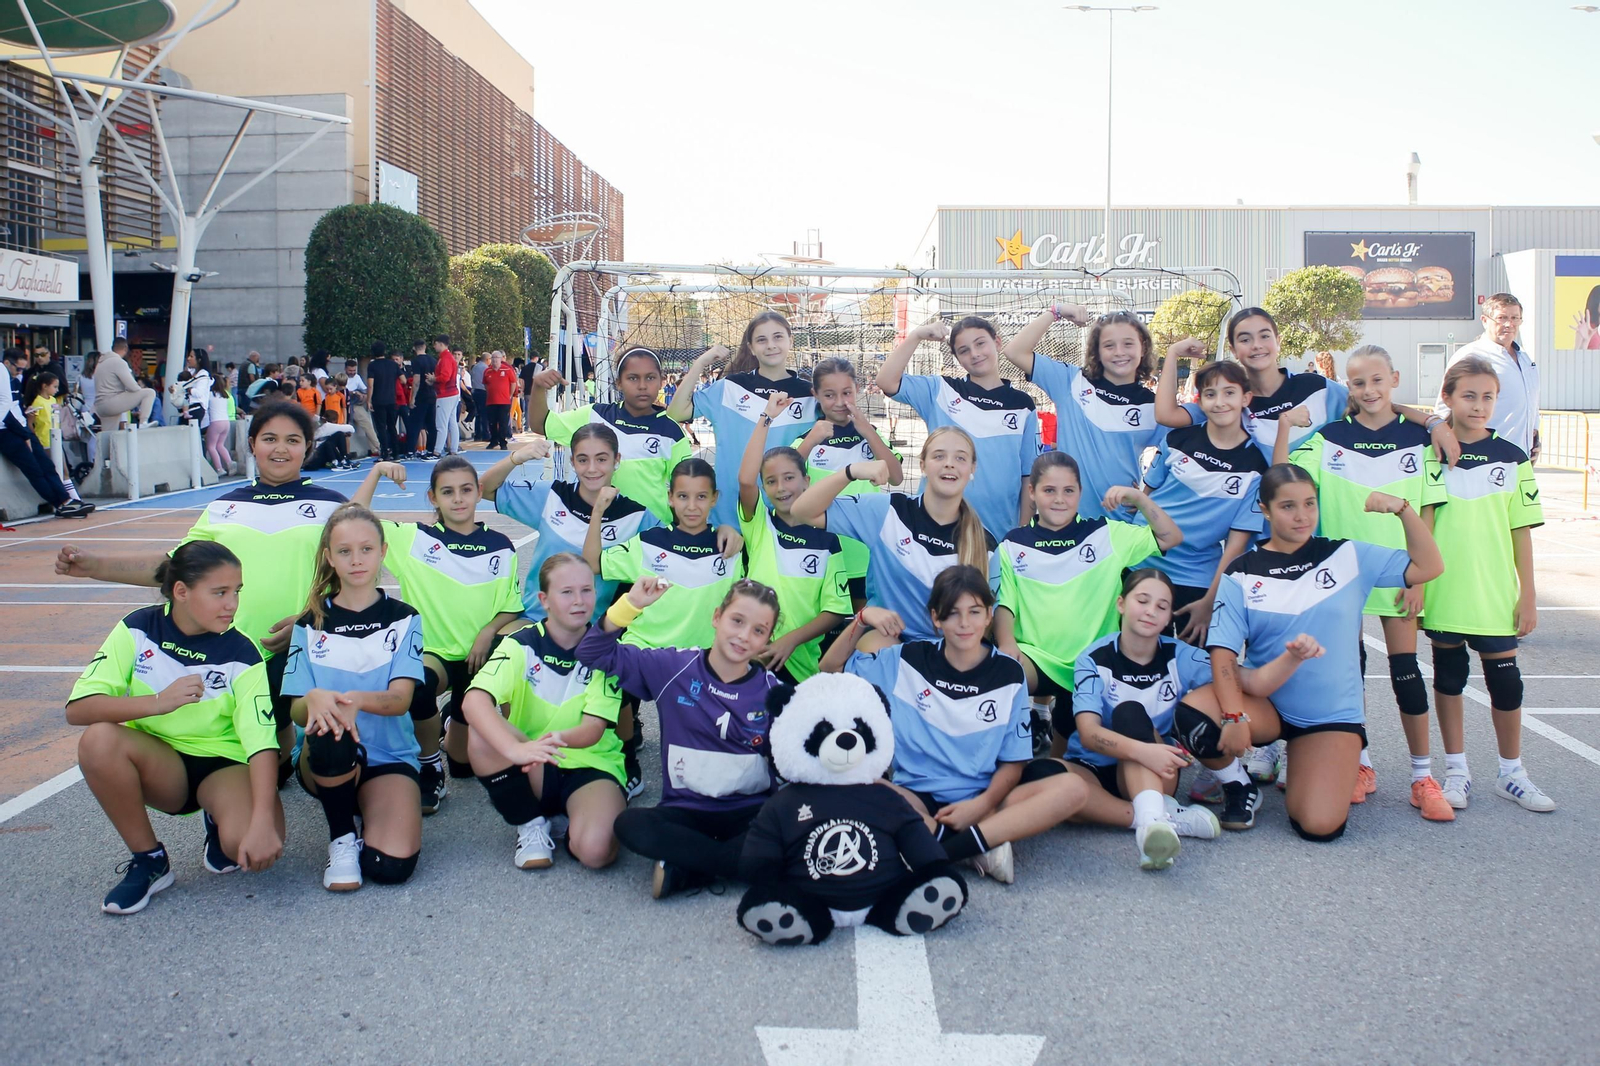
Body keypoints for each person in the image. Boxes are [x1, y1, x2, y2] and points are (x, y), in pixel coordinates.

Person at [58, 402, 348, 771]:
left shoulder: (333, 506)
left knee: (329, 760)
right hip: (233, 657)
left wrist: (310, 621)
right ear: (252, 445)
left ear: (308, 447)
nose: (280, 449)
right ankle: (279, 751)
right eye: (269, 438)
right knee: (261, 775)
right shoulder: (223, 507)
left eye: (292, 440)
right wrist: (94, 567)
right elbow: (174, 570)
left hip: (306, 649)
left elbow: (356, 578)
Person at [1206, 464, 1444, 841]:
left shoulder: (1347, 556)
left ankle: (1303, 756)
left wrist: (1403, 510)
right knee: (1195, 712)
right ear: (1264, 510)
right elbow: (1222, 653)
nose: (1302, 516)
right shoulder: (1242, 571)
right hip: (1264, 705)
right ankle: (1239, 785)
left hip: (1328, 715)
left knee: (1318, 825)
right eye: (1287, 506)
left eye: (1309, 504)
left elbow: (1430, 566)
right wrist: (1234, 715)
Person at [821, 565, 1087, 885]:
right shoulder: (907, 659)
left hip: (985, 800)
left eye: (975, 612)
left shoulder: (1009, 674)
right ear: (936, 618)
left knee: (1072, 789)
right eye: (953, 613)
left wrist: (979, 806)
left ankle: (944, 847)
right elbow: (830, 667)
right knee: (844, 779)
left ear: (989, 615)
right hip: (917, 797)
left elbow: (1014, 763)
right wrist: (862, 619)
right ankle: (979, 846)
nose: (964, 623)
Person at [1273, 344, 1449, 818]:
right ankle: (1362, 764)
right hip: (1342, 572)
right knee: (1349, 672)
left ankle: (1421, 776)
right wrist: (1287, 428)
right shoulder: (1330, 437)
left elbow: (1429, 510)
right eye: (1358, 383)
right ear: (1346, 387)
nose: (1368, 390)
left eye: (1376, 380)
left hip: (1397, 572)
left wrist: (1418, 580)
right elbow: (1282, 476)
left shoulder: (1418, 438)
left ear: (1393, 378)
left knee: (1406, 672)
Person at [67, 541, 284, 914]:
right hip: (162, 762)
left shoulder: (242, 652)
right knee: (98, 740)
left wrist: (263, 820)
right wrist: (157, 703)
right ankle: (149, 860)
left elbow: (262, 744)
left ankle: (219, 819)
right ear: (181, 591)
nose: (232, 604)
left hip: (224, 764)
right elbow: (78, 709)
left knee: (250, 849)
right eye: (220, 592)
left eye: (236, 592)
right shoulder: (138, 628)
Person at [1028, 569, 1280, 870]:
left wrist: (1293, 658)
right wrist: (1141, 750)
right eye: (1142, 601)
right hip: (1097, 767)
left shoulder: (1179, 655)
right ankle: (1160, 818)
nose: (1150, 612)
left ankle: (1151, 824)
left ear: (1168, 617)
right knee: (1039, 774)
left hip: (1155, 769)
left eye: (1161, 606)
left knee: (1129, 712)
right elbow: (1088, 733)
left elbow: (1245, 680)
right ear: (1121, 604)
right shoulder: (1093, 658)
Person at [577, 577, 782, 898]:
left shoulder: (774, 692)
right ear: (717, 617)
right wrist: (629, 606)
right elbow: (591, 652)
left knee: (790, 828)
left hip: (750, 812)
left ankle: (688, 866)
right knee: (630, 825)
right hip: (685, 811)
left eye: (758, 630)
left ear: (768, 639)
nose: (743, 636)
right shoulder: (673, 667)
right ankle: (740, 865)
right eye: (737, 621)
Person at [352, 456, 524, 814]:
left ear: (479, 493)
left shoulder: (501, 545)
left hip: (479, 657)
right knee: (418, 684)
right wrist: (377, 472)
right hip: (434, 652)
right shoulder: (413, 539)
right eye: (447, 492)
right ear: (432, 497)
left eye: (465, 490)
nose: (458, 499)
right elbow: (351, 520)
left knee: (464, 766)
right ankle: (429, 765)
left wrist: (488, 631)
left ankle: (453, 721)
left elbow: (511, 604)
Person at [1424, 356, 1554, 813]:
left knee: (1507, 684)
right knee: (1450, 679)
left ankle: (1512, 773)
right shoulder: (1431, 453)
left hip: (1494, 593)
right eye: (1469, 396)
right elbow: (1423, 522)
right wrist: (1418, 584)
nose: (1479, 405)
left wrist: (1528, 595)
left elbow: (1521, 533)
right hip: (1444, 591)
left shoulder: (1513, 458)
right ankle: (1456, 770)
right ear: (1448, 398)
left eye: (1488, 397)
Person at [993, 451, 1180, 756]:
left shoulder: (1106, 534)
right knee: (998, 673)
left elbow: (1171, 536)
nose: (1059, 499)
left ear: (1080, 493)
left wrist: (1140, 498)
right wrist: (1005, 644)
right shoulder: (1012, 544)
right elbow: (1005, 605)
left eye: (1069, 491)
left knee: (1067, 753)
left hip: (1092, 661)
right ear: (1032, 492)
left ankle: (1056, 759)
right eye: (1049, 490)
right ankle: (1005, 759)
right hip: (1037, 658)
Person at [282, 504, 426, 891]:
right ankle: (342, 836)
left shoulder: (404, 617)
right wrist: (312, 698)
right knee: (331, 725)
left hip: (387, 755)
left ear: (383, 552)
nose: (356, 559)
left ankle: (367, 806)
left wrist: (355, 700)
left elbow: (400, 700)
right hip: (324, 754)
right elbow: (297, 709)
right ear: (329, 557)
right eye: (344, 551)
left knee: (389, 867)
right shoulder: (309, 623)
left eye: (366, 549)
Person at [461, 553, 627, 871]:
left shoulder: (607, 650)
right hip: (532, 763)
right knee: (482, 729)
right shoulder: (519, 644)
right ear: (544, 599)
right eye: (566, 592)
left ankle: (574, 816)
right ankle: (531, 822)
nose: (579, 601)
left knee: (596, 853)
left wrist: (549, 742)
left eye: (587, 590)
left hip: (590, 765)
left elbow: (592, 731)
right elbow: (474, 701)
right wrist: (517, 749)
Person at [592, 456, 744, 796]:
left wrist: (731, 530)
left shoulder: (731, 548)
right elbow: (593, 562)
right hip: (646, 647)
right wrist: (597, 514)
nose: (692, 506)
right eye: (683, 497)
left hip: (702, 654)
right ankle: (627, 760)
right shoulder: (648, 542)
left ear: (714, 499)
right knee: (611, 688)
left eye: (701, 497)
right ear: (670, 497)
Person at [1158, 309, 1461, 468]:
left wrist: (1433, 422)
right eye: (1245, 339)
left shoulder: (1317, 388)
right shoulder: (1232, 400)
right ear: (1235, 349)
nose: (1256, 345)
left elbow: (1372, 403)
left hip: (1323, 518)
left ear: (1278, 341)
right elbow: (1167, 415)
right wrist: (1171, 354)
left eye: (1264, 336)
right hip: (1262, 526)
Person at [789, 426, 996, 649]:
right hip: (889, 639)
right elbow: (802, 510)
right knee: (877, 646)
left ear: (972, 468)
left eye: (960, 458)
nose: (949, 463)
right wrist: (851, 471)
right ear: (922, 465)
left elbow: (984, 623)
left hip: (950, 650)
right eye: (939, 456)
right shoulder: (888, 511)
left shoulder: (985, 543)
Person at [1142, 358, 1269, 648]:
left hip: (1199, 578)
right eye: (1210, 394)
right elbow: (1145, 498)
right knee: (1144, 670)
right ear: (1200, 401)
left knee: (1196, 675)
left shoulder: (1256, 466)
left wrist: (1210, 601)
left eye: (1229, 393)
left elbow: (1236, 546)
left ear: (1245, 398)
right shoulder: (1176, 440)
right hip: (1145, 565)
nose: (1219, 402)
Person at [1002, 305, 1168, 522]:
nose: (1119, 352)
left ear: (1143, 347)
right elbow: (1014, 351)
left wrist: (1146, 495)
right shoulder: (1070, 381)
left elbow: (1177, 453)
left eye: (1128, 344)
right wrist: (1055, 312)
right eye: (1109, 345)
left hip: (1120, 523)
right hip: (1066, 521)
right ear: (1096, 351)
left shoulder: (1154, 406)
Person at [876, 318, 1039, 538]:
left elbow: (1028, 474)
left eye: (980, 343)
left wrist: (1023, 532)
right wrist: (916, 335)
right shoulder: (940, 390)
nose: (974, 353)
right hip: (935, 530)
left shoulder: (1023, 405)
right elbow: (886, 381)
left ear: (997, 342)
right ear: (958, 359)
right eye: (964, 350)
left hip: (997, 532)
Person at [483, 428, 660, 623]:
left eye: (601, 459)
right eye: (583, 460)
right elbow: (484, 489)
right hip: (537, 620)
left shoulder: (637, 516)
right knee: (498, 645)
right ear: (572, 462)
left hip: (594, 631)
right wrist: (517, 457)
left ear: (616, 460)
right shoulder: (551, 496)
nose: (592, 468)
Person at [735, 394, 851, 683]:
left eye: (789, 478)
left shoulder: (827, 541)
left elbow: (835, 610)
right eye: (771, 481)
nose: (781, 487)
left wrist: (792, 640)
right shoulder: (759, 525)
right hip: (752, 656)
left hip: (801, 666)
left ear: (806, 481)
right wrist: (767, 417)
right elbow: (746, 480)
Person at [668, 312, 818, 529]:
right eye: (761, 340)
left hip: (784, 518)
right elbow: (676, 413)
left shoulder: (810, 397)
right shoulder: (731, 387)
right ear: (751, 347)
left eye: (778, 337)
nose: (771, 345)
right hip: (728, 519)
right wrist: (700, 362)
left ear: (790, 341)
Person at [527, 347, 692, 525]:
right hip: (599, 532)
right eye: (633, 378)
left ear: (661, 382)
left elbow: (686, 490)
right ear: (618, 383)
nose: (642, 385)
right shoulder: (595, 415)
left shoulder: (672, 432)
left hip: (651, 535)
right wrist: (538, 387)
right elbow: (540, 424)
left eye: (650, 378)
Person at [791, 357, 903, 607]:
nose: (840, 402)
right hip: (822, 552)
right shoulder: (806, 439)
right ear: (816, 395)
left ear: (857, 389)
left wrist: (867, 431)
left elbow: (896, 478)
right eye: (829, 395)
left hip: (866, 553)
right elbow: (785, 485)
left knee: (862, 628)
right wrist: (811, 441)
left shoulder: (870, 434)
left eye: (847, 393)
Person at [1438, 293, 1540, 461]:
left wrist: (1535, 437)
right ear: (1485, 321)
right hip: (1484, 458)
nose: (1509, 324)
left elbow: (1531, 404)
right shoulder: (1471, 356)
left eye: (1515, 318)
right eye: (1501, 318)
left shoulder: (1525, 358)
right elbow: (1445, 407)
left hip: (1521, 458)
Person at [1, 353, 90, 518]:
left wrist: (26, 423)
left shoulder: (12, 380)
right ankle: (61, 503)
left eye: (22, 369)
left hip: (20, 427)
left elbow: (14, 408)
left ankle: (66, 500)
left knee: (47, 466)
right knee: (34, 469)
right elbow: (4, 412)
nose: (19, 372)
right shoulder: (3, 376)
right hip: (7, 431)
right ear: (7, 362)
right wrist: (24, 433)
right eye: (17, 368)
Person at [92, 339, 156, 427]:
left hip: (100, 406)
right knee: (149, 393)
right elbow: (133, 387)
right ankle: (143, 423)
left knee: (108, 435)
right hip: (112, 402)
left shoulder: (100, 364)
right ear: (126, 348)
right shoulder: (119, 362)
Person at [366, 349, 403, 461]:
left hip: (378, 400)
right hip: (391, 399)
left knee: (381, 427)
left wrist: (369, 400)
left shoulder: (372, 365)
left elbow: (370, 385)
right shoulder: (393, 364)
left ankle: (385, 452)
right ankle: (396, 453)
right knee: (392, 426)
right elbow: (403, 380)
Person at [343, 358, 380, 457]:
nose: (352, 372)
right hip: (345, 405)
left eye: (354, 370)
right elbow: (341, 390)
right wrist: (354, 392)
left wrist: (364, 396)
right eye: (350, 371)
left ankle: (376, 448)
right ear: (345, 369)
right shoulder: (341, 377)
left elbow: (365, 389)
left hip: (356, 405)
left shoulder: (357, 377)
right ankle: (378, 447)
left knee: (367, 424)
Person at [407, 338, 437, 460]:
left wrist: (412, 397)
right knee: (431, 425)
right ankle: (431, 449)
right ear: (425, 347)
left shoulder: (416, 361)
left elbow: (416, 380)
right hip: (432, 395)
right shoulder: (433, 360)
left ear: (414, 348)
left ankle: (410, 451)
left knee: (415, 424)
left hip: (421, 396)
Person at [433, 335, 461, 457]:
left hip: (445, 394)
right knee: (452, 422)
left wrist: (434, 379)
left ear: (441, 344)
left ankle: (437, 451)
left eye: (435, 344)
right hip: (452, 393)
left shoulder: (445, 359)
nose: (434, 346)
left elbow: (445, 377)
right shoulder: (448, 358)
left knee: (441, 424)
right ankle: (453, 448)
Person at [483, 350, 516, 449]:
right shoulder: (487, 371)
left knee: (503, 422)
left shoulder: (507, 370)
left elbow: (513, 383)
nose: (494, 360)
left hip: (504, 401)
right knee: (492, 422)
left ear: (501, 359)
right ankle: (493, 440)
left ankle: (502, 441)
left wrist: (509, 395)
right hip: (491, 401)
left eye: (497, 358)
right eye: (493, 358)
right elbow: (485, 384)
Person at [204, 376, 233, 475]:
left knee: (211, 446)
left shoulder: (209, 395)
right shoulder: (225, 395)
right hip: (226, 422)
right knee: (220, 445)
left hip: (215, 422)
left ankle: (219, 469)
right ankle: (230, 464)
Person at [471, 351, 490, 442]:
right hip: (483, 391)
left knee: (477, 414)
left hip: (475, 391)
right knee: (484, 414)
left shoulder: (475, 367)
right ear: (487, 359)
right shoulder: (486, 368)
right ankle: (485, 434)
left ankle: (477, 434)